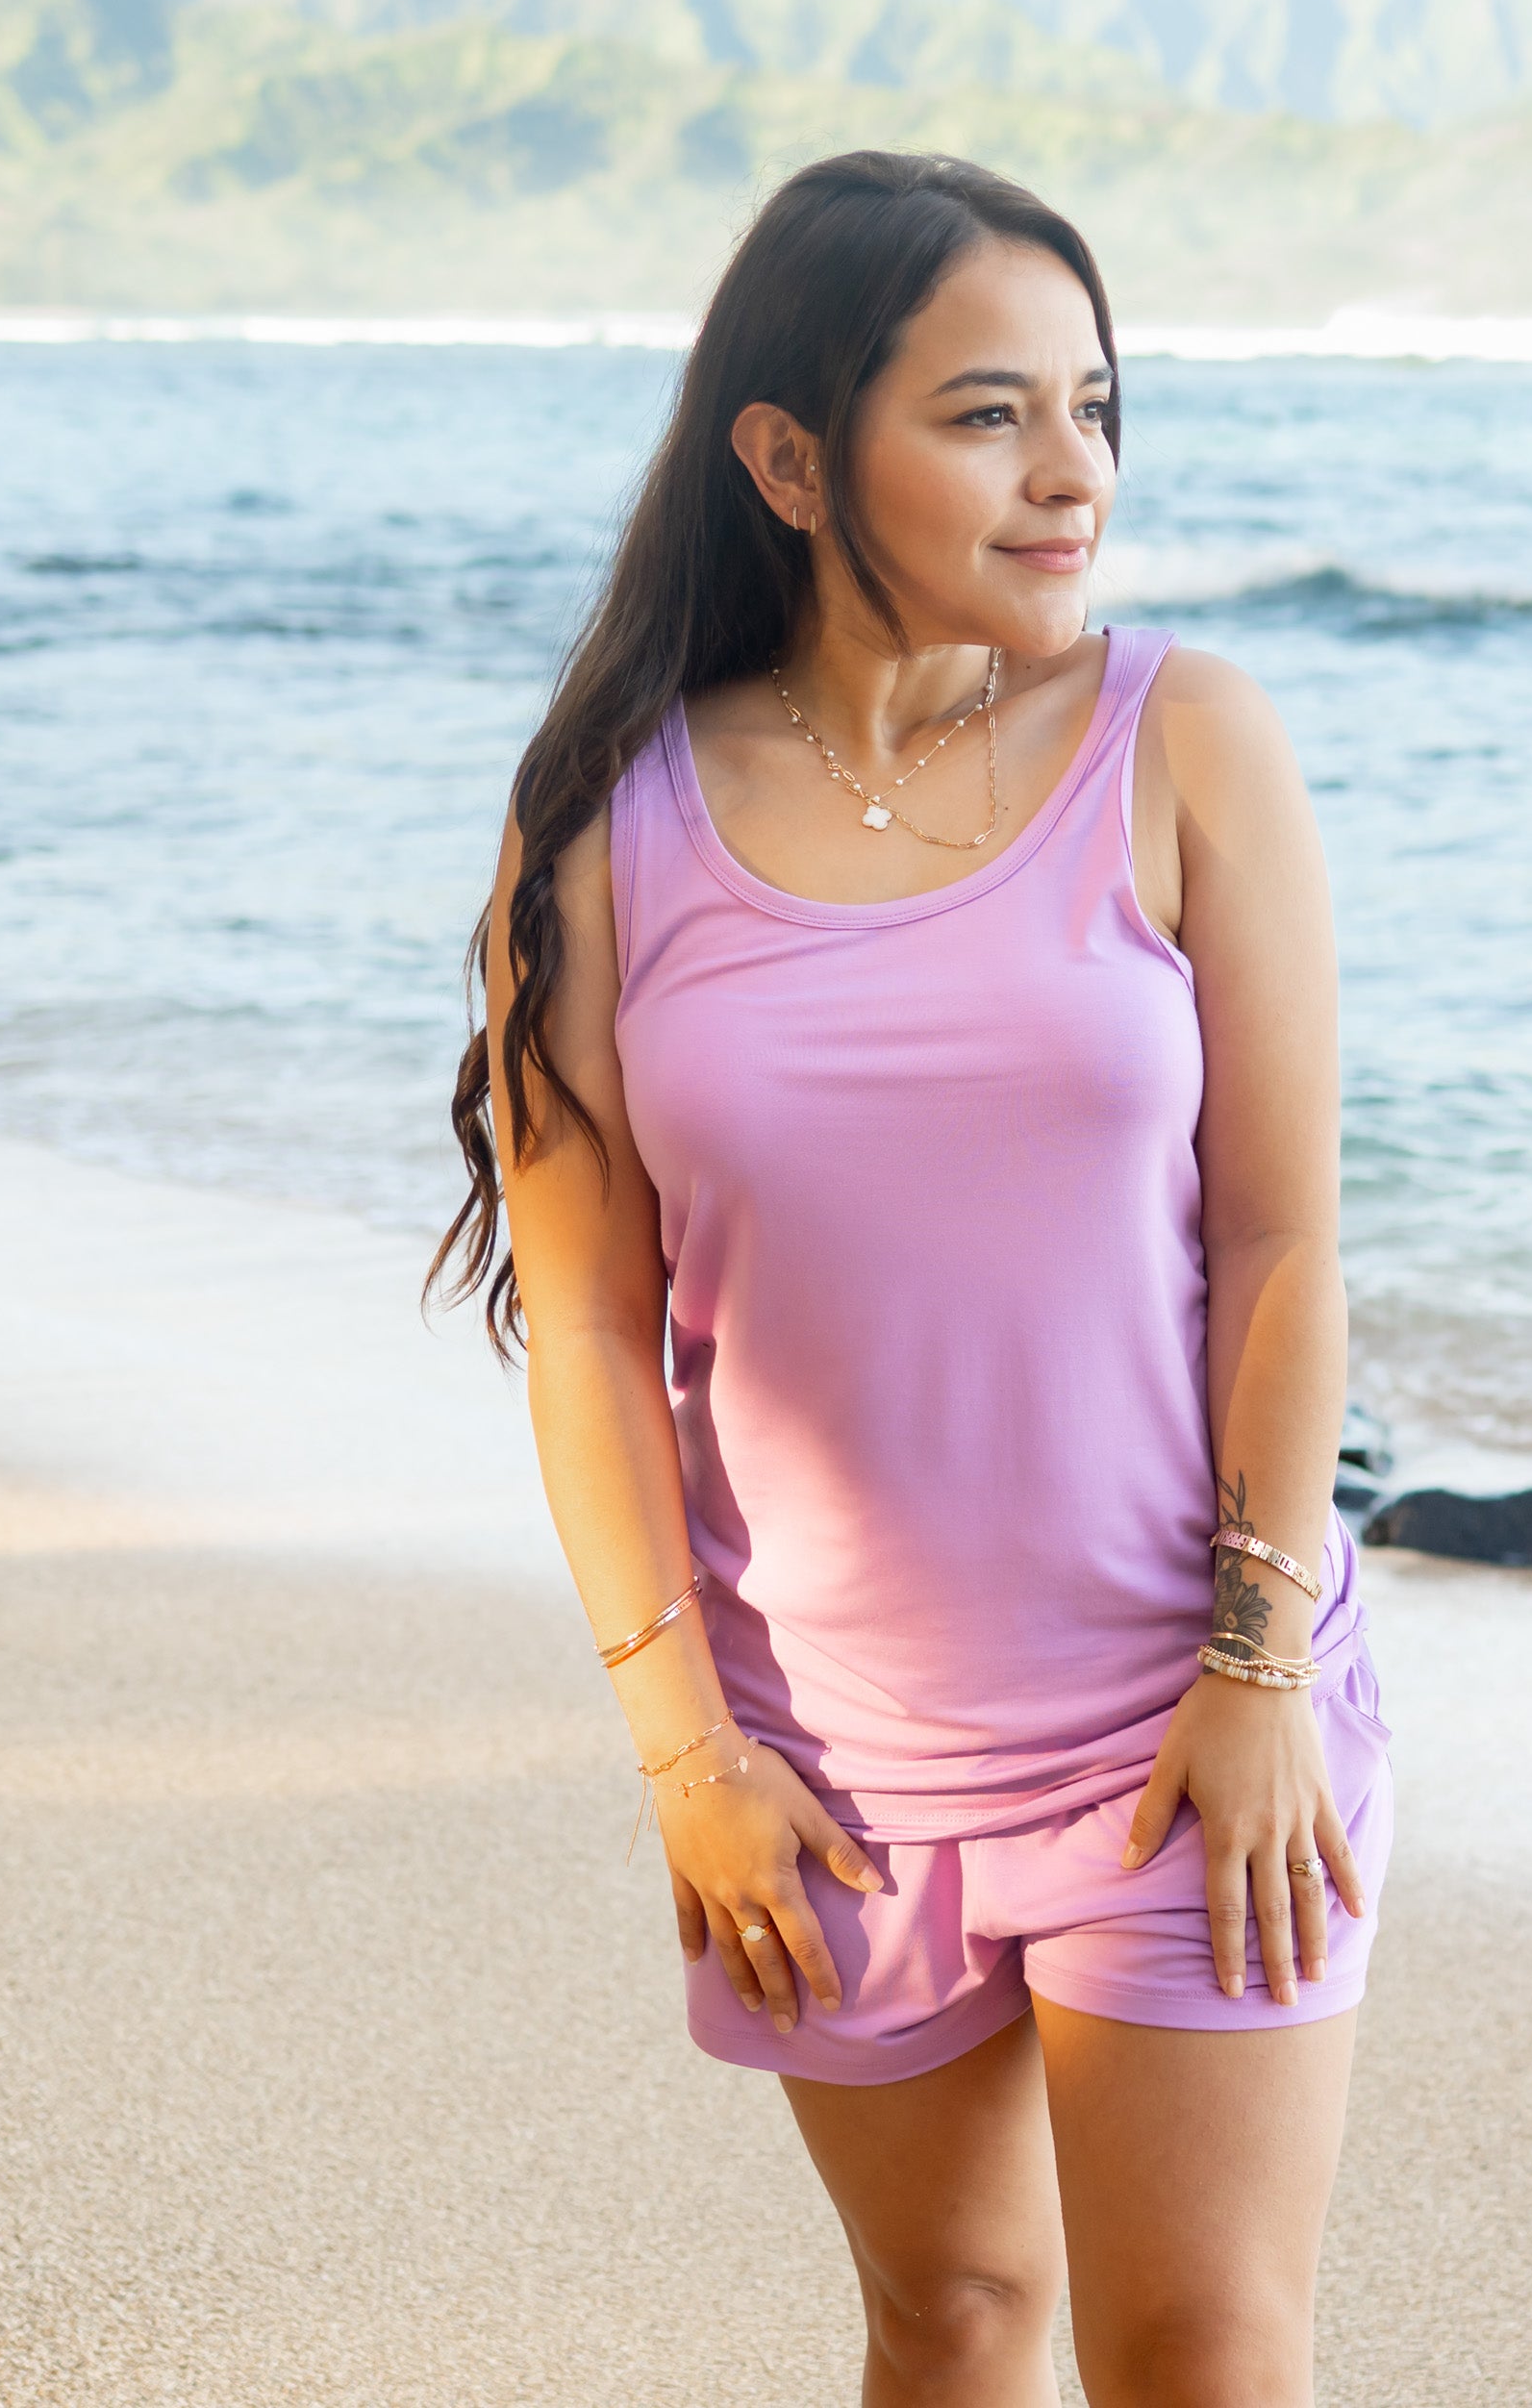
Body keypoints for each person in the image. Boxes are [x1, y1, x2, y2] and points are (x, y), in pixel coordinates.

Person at [435, 150, 1392, 2406]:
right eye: (988, 415)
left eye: (1094, 407)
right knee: (947, 2320)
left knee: (1200, 2355)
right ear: (789, 459)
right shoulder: (601, 826)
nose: (1074, 476)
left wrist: (1257, 1663)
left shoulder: (1185, 738)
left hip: (1183, 1715)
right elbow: (588, 1331)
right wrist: (685, 1751)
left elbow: (1282, 1237)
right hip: (823, 1758)